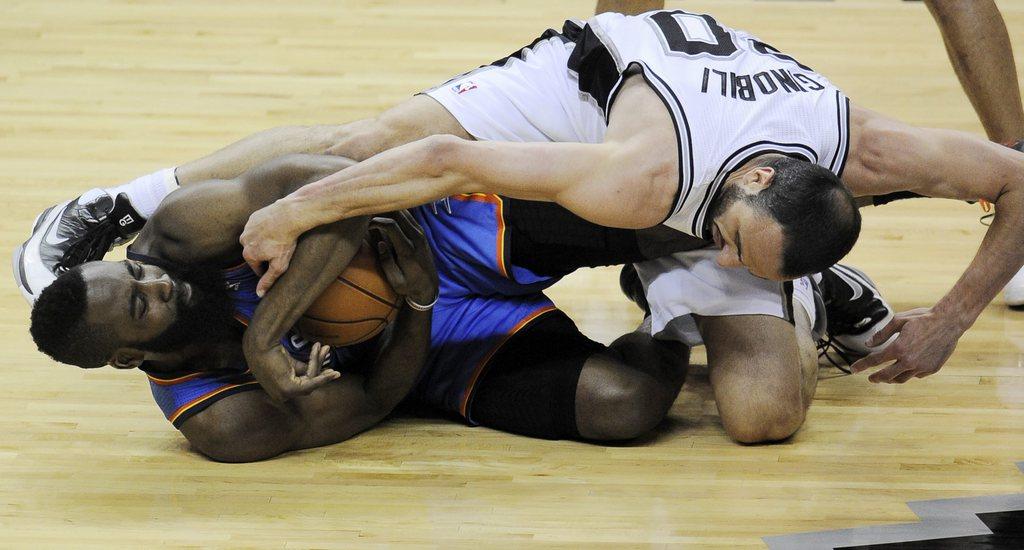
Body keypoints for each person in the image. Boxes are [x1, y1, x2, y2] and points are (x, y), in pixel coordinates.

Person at [28, 154, 692, 462]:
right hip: (426, 338)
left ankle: (702, 245)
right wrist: (419, 299)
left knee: (660, 213)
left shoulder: (179, 232)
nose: (160, 284)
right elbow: (373, 399)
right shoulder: (220, 420)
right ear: (128, 357)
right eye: (143, 306)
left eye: (137, 272)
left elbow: (331, 183)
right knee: (625, 406)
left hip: (431, 231)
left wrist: (268, 334)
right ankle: (669, 310)